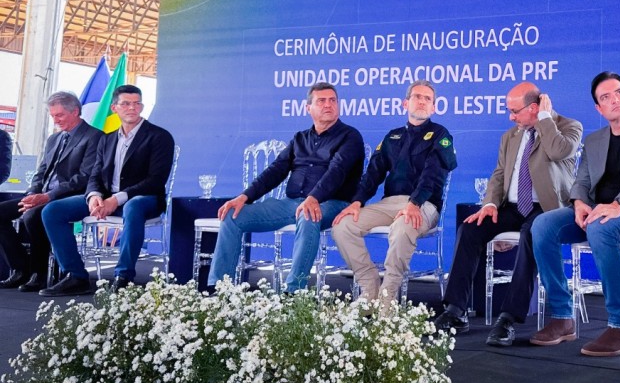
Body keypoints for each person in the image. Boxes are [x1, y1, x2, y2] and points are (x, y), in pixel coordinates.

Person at [530, 71, 620, 357]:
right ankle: (562, 316)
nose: (614, 99)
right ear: (599, 108)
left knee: (601, 228)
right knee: (543, 225)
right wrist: (579, 202)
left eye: (618, 92)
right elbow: (581, 179)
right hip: (596, 211)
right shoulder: (594, 140)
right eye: (606, 97)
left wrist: (619, 204)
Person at [433, 82, 582, 346]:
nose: (511, 117)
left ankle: (508, 318)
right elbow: (500, 173)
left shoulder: (568, 127)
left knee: (531, 234)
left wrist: (544, 119)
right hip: (511, 207)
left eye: (515, 111)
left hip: (546, 209)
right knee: (470, 229)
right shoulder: (510, 136)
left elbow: (558, 150)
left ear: (534, 107)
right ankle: (456, 310)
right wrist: (490, 203)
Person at [207, 82, 364, 292]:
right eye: (321, 101)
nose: (328, 105)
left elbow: (337, 172)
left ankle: (293, 292)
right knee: (233, 216)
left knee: (308, 215)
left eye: (332, 100)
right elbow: (276, 170)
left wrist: (313, 198)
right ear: (308, 108)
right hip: (293, 203)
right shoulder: (300, 139)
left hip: (332, 203)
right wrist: (245, 196)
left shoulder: (350, 137)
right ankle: (220, 289)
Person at [40, 85, 174, 296]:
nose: (132, 108)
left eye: (137, 103)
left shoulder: (159, 136)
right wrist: (94, 196)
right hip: (107, 199)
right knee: (52, 211)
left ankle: (123, 276)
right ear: (114, 108)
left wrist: (116, 199)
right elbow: (95, 175)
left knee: (132, 206)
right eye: (126, 103)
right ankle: (75, 276)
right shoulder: (107, 138)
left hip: (144, 200)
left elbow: (155, 181)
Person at [332, 80, 457, 305]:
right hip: (389, 203)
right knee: (343, 226)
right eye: (417, 97)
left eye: (427, 99)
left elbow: (433, 174)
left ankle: (387, 298)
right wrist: (357, 201)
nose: (422, 101)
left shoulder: (440, 135)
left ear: (434, 108)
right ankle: (369, 288)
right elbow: (373, 173)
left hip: (424, 205)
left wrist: (414, 203)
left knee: (402, 228)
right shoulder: (392, 137)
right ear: (405, 103)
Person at [0, 92, 101, 292]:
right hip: (42, 195)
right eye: (53, 115)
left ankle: (38, 274)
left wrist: (47, 196)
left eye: (60, 115)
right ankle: (21, 268)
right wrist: (33, 193)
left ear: (75, 112)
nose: (56, 120)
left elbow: (84, 177)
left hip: (69, 197)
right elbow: (41, 171)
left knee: (32, 215)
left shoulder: (95, 137)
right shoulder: (54, 138)